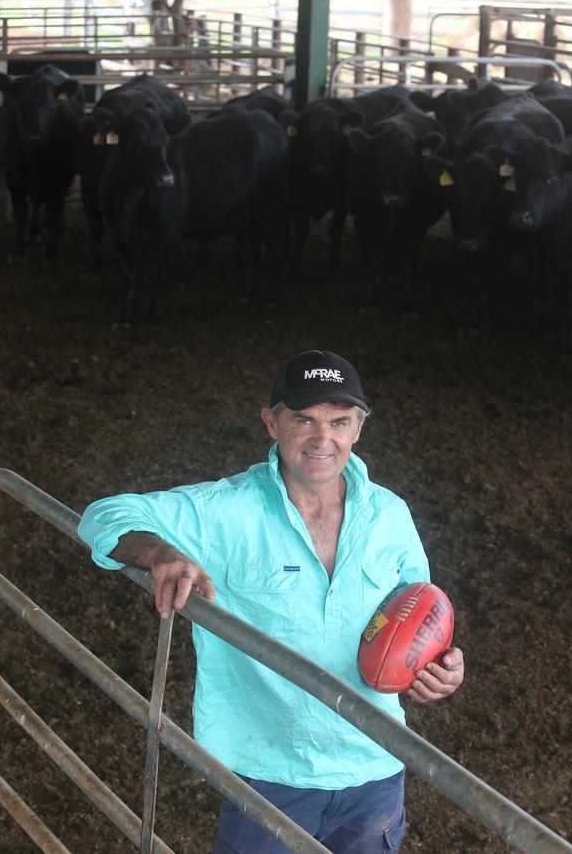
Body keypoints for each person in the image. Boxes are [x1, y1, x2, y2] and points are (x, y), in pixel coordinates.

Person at [78, 349, 465, 853]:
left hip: (374, 763)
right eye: (303, 419)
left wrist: (440, 668)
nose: (322, 438)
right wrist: (160, 553)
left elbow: (422, 609)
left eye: (339, 421)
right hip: (268, 772)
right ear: (271, 422)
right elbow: (102, 515)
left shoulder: (389, 515)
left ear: (359, 428)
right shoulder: (226, 510)